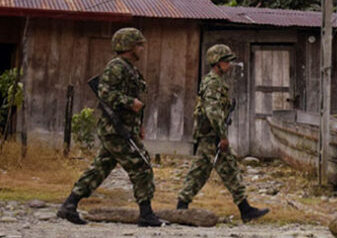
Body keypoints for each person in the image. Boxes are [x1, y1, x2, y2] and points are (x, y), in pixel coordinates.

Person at [57, 27, 164, 227]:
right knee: (141, 165)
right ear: (128, 46)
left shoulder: (130, 68)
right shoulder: (116, 67)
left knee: (100, 168)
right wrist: (129, 102)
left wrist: (138, 124)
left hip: (124, 129)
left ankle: (69, 205)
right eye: (139, 45)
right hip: (115, 130)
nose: (142, 48)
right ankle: (146, 214)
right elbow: (105, 93)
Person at [176, 44, 269, 222]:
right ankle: (183, 207)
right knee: (209, 171)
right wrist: (222, 136)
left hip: (211, 135)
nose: (230, 65)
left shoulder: (216, 82)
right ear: (217, 63)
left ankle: (244, 209)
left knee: (219, 171)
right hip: (212, 136)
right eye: (227, 61)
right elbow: (213, 111)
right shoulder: (212, 83)